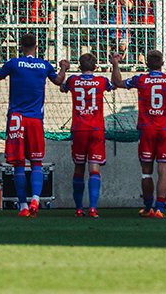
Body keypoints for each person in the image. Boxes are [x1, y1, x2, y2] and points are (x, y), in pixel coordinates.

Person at [0, 32, 64, 216]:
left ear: (20, 47)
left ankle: (22, 205)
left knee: (19, 164)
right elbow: (59, 81)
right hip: (35, 120)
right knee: (36, 162)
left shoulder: (13, 63)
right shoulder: (44, 65)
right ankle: (36, 200)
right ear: (36, 47)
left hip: (17, 119)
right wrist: (64, 68)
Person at [113, 49, 166, 218]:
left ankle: (148, 206)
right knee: (163, 171)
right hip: (165, 131)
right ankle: (160, 208)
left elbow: (117, 82)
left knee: (146, 171)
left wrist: (115, 64)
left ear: (147, 64)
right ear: (162, 63)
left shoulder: (140, 79)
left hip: (147, 130)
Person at [59, 53, 113, 217]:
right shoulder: (102, 81)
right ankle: (93, 208)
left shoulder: (73, 80)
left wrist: (63, 68)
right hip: (96, 130)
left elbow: (62, 87)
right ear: (95, 67)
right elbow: (113, 86)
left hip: (79, 129)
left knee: (79, 168)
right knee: (94, 169)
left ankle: (79, 208)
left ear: (79, 67)